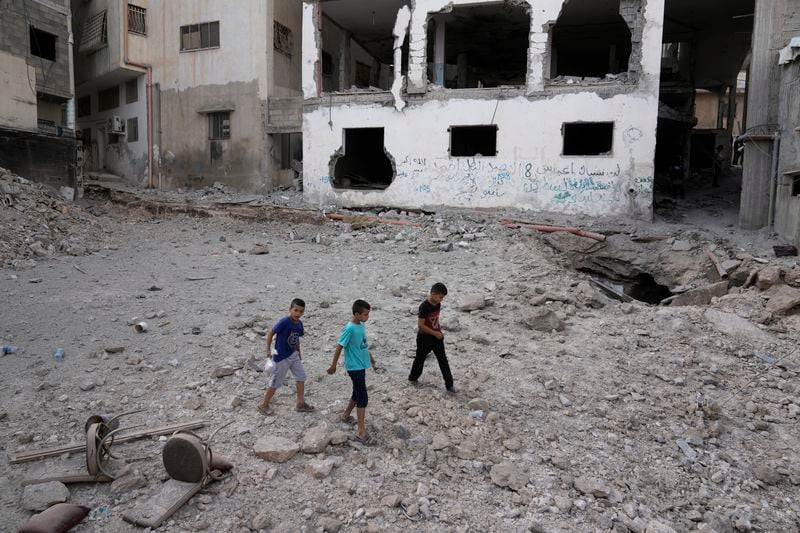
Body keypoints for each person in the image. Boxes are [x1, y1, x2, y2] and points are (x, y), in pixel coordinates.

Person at [327, 299, 375, 444]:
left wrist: (371, 358)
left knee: (357, 392)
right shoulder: (349, 328)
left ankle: (346, 415)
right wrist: (333, 365)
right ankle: (361, 432)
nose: (368, 317)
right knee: (363, 397)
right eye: (366, 314)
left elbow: (363, 344)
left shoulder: (360, 325)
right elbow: (339, 346)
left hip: (361, 365)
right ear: (357, 314)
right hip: (354, 367)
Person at [257, 298, 315, 415]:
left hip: (293, 355)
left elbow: (296, 337)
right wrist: (268, 349)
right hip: (281, 357)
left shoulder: (299, 324)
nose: (298, 313)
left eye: (301, 311)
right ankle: (263, 404)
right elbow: (271, 333)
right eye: (296, 310)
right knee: (276, 382)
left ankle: (300, 403)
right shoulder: (284, 321)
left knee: (301, 376)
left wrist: (299, 352)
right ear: (290, 309)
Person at [408, 282, 455, 393]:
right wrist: (435, 333)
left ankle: (449, 385)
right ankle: (413, 378)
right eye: (440, 297)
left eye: (443, 297)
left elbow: (435, 320)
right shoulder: (425, 306)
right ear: (433, 294)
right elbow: (421, 325)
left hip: (436, 337)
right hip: (424, 338)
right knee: (420, 359)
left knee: (443, 360)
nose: (441, 300)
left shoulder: (437, 304)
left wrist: (439, 332)